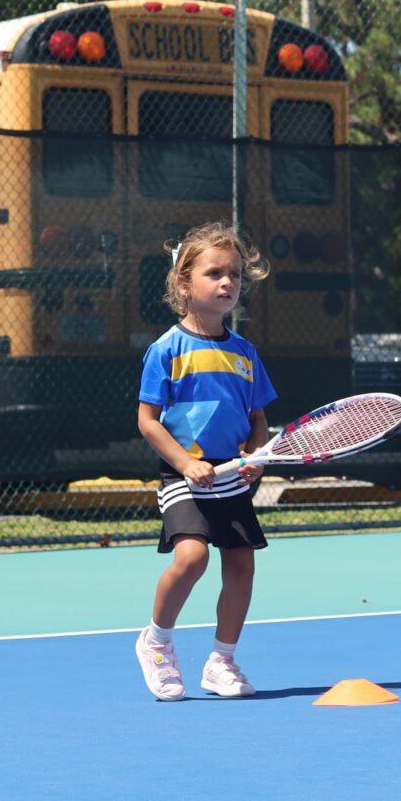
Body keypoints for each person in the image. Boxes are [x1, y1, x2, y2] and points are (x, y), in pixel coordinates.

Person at [133, 222, 276, 701]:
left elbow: (258, 419)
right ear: (183, 282)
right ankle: (157, 643)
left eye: (234, 274)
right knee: (191, 557)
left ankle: (221, 661)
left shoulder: (246, 354)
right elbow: (148, 421)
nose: (227, 283)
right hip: (183, 474)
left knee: (241, 566)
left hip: (232, 477)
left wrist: (256, 455)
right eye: (214, 273)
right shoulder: (166, 350)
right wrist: (185, 462)